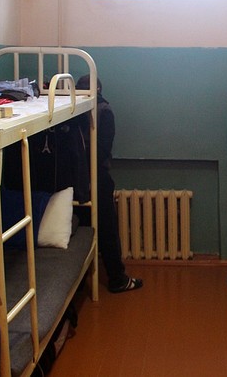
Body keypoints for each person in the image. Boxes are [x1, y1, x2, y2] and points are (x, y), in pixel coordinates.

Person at [75, 74, 143, 294]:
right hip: (96, 176)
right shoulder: (104, 110)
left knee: (80, 227)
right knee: (106, 228)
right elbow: (103, 150)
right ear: (99, 89)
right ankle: (117, 278)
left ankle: (80, 282)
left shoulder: (71, 110)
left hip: (73, 177)